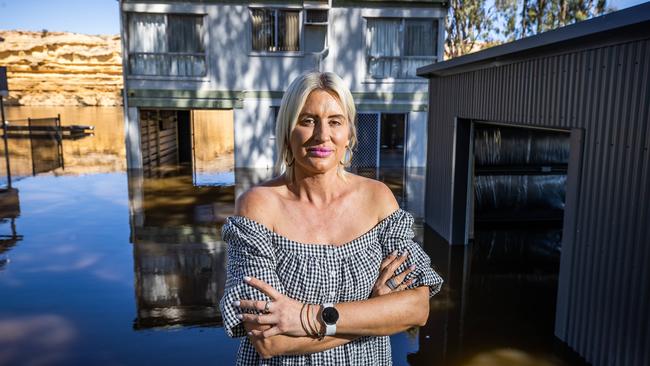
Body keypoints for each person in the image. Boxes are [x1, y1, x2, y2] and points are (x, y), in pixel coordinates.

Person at [219, 71, 443, 365]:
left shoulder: (378, 200)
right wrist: (373, 314)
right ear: (287, 130)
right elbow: (268, 340)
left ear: (349, 132)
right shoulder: (257, 207)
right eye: (307, 120)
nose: (322, 135)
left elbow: (417, 308)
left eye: (335, 121)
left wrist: (307, 316)